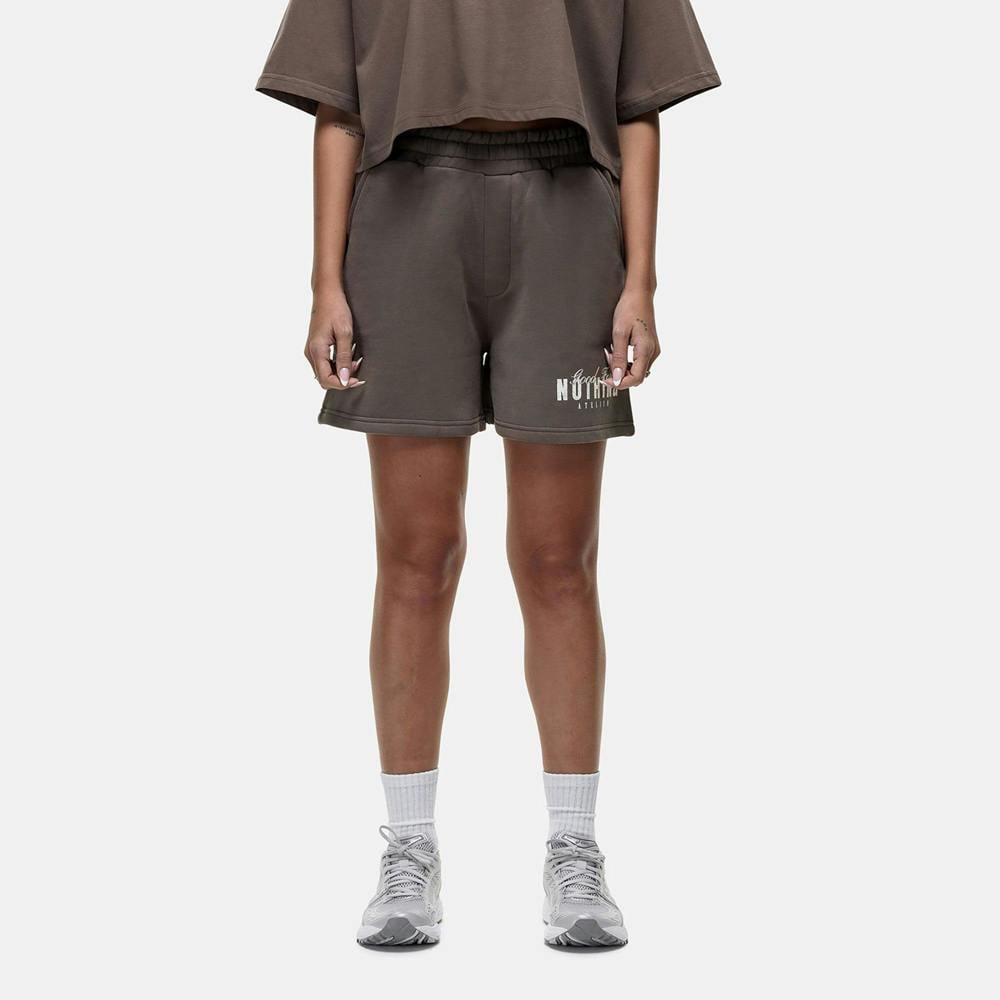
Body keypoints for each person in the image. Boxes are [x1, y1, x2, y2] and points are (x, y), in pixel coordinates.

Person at [256, 0, 719, 948]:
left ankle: (574, 849)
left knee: (558, 561)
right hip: (404, 210)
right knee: (416, 556)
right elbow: (337, 107)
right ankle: (409, 851)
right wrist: (324, 282)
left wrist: (640, 281)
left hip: (567, 213)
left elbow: (637, 105)